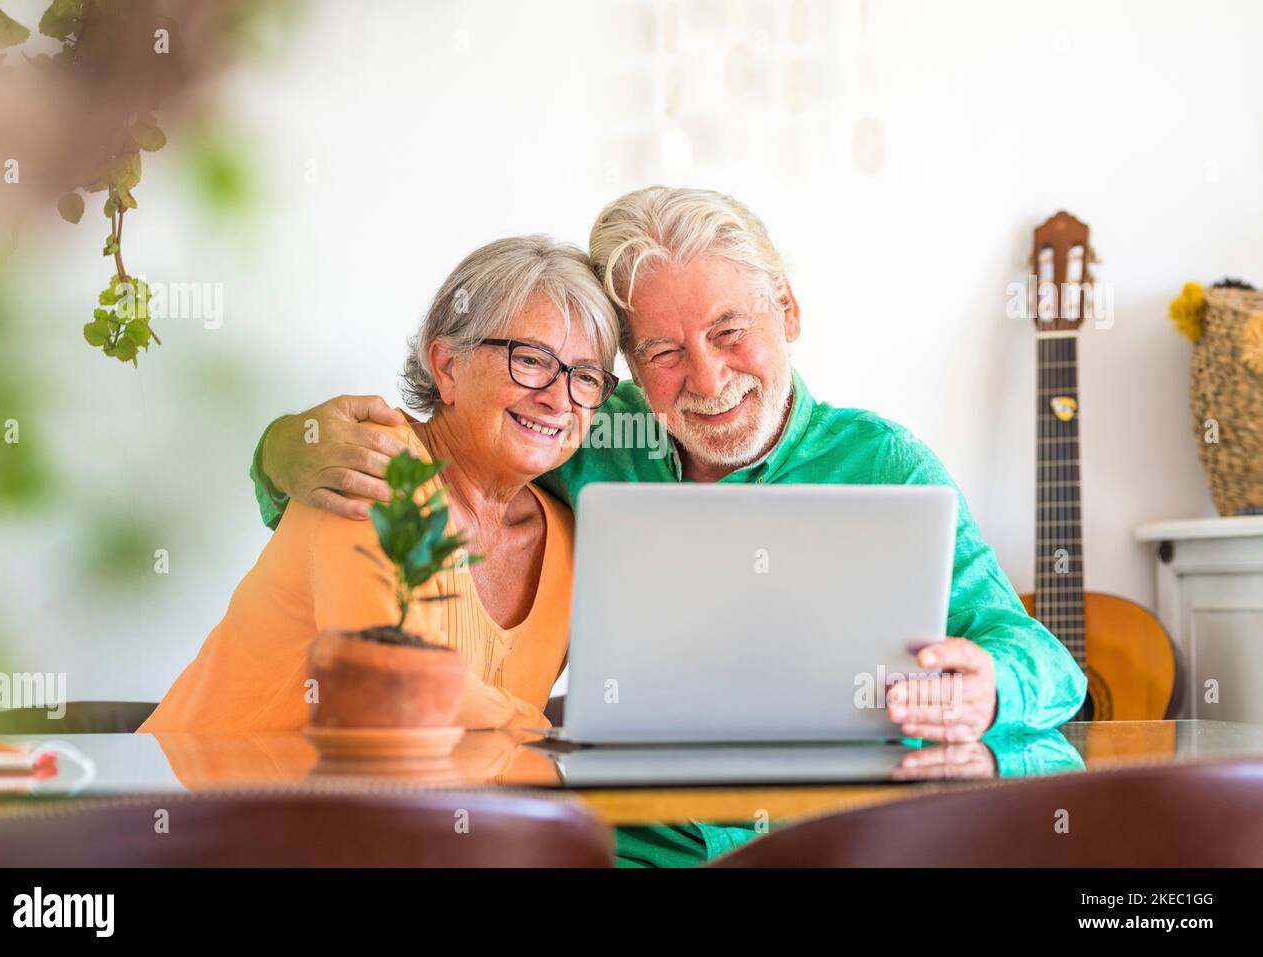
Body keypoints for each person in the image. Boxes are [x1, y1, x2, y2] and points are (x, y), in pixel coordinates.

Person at [246, 186, 1089, 864]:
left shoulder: (889, 464)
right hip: (624, 846)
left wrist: (990, 686)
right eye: (663, 353)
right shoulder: (582, 423)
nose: (708, 377)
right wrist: (283, 449)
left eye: (731, 331)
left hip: (828, 841)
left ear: (788, 313)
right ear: (628, 368)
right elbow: (433, 452)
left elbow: (1048, 664)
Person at [138, 236, 621, 735]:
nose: (558, 398)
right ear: (447, 365)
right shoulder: (370, 464)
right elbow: (393, 689)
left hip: (394, 812)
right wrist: (549, 736)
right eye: (531, 360)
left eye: (585, 377)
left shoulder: (567, 540)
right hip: (199, 801)